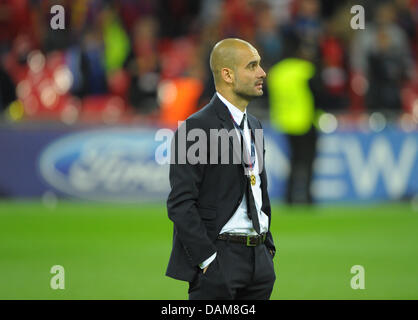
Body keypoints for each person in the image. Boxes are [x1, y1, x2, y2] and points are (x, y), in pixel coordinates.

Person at [166, 38, 276, 300]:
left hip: (259, 262)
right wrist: (208, 260)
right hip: (220, 261)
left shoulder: (255, 125)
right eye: (252, 66)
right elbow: (180, 203)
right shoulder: (196, 128)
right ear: (228, 74)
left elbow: (258, 188)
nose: (262, 73)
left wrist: (267, 248)